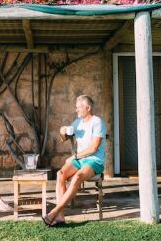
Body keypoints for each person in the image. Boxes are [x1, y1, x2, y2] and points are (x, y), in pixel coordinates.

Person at [43, 95, 106, 227]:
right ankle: (60, 217)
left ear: (87, 108)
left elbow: (94, 148)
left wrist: (75, 156)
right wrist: (62, 131)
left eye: (78, 107)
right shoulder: (77, 123)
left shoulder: (97, 122)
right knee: (60, 174)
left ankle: (54, 211)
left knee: (77, 177)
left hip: (94, 160)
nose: (76, 110)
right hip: (79, 160)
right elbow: (64, 138)